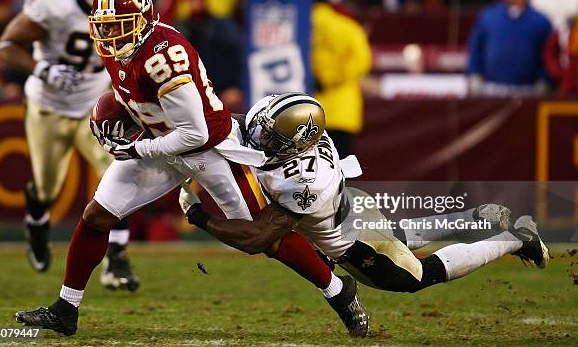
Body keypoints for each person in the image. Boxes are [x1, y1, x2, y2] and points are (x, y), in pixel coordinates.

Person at [14, 0, 363, 337]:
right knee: (97, 215)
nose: (108, 36)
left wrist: (138, 148)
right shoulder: (117, 48)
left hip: (210, 150)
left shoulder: (163, 58)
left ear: (142, 21)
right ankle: (66, 308)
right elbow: (130, 97)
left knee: (263, 236)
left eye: (117, 27)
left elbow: (194, 133)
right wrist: (109, 116)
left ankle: (338, 291)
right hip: (162, 141)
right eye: (103, 27)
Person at [180, 92, 550, 333]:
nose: (258, 141)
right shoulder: (289, 135)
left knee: (416, 275)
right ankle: (476, 219)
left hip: (351, 240)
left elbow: (257, 238)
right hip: (350, 208)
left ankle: (513, 239)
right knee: (397, 239)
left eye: (270, 139)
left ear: (296, 143)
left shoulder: (305, 181)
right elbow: (237, 125)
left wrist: (200, 217)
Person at [0, 0, 141, 290]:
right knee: (48, 186)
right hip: (49, 105)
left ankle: (116, 260)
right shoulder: (53, 1)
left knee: (118, 174)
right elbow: (6, 46)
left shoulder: (123, 3)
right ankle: (37, 220)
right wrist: (42, 68)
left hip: (95, 104)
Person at [466, 0, 553, 95]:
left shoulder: (540, 21)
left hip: (528, 91)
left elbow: (547, 53)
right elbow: (476, 48)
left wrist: (544, 79)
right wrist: (474, 74)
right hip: (492, 90)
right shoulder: (488, 16)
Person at [311, 0, 371, 157]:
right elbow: (362, 60)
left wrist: (319, 79)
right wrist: (330, 79)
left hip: (305, 113)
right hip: (342, 110)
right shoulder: (349, 27)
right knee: (342, 169)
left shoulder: (298, 27)